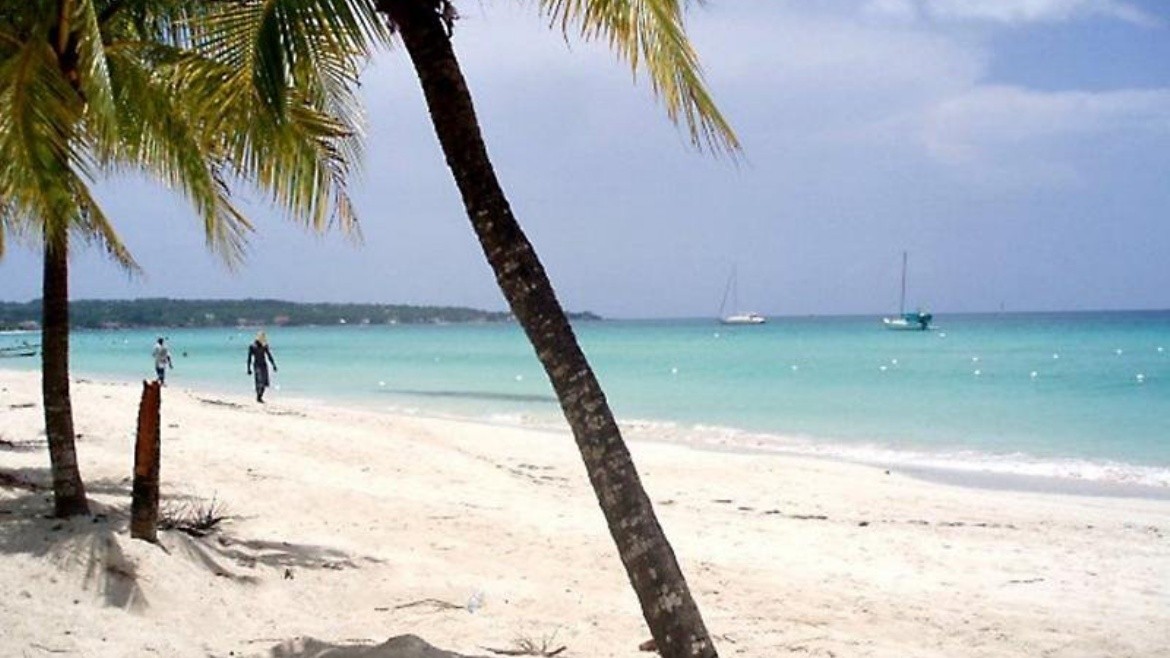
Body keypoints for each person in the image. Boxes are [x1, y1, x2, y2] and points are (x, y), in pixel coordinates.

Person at [246, 331, 278, 403]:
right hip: (257, 365)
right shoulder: (252, 346)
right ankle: (258, 397)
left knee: (265, 383)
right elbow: (249, 358)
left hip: (264, 365)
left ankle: (260, 397)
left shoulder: (264, 346)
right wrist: (248, 368)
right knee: (259, 382)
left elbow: (269, 356)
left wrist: (273, 365)